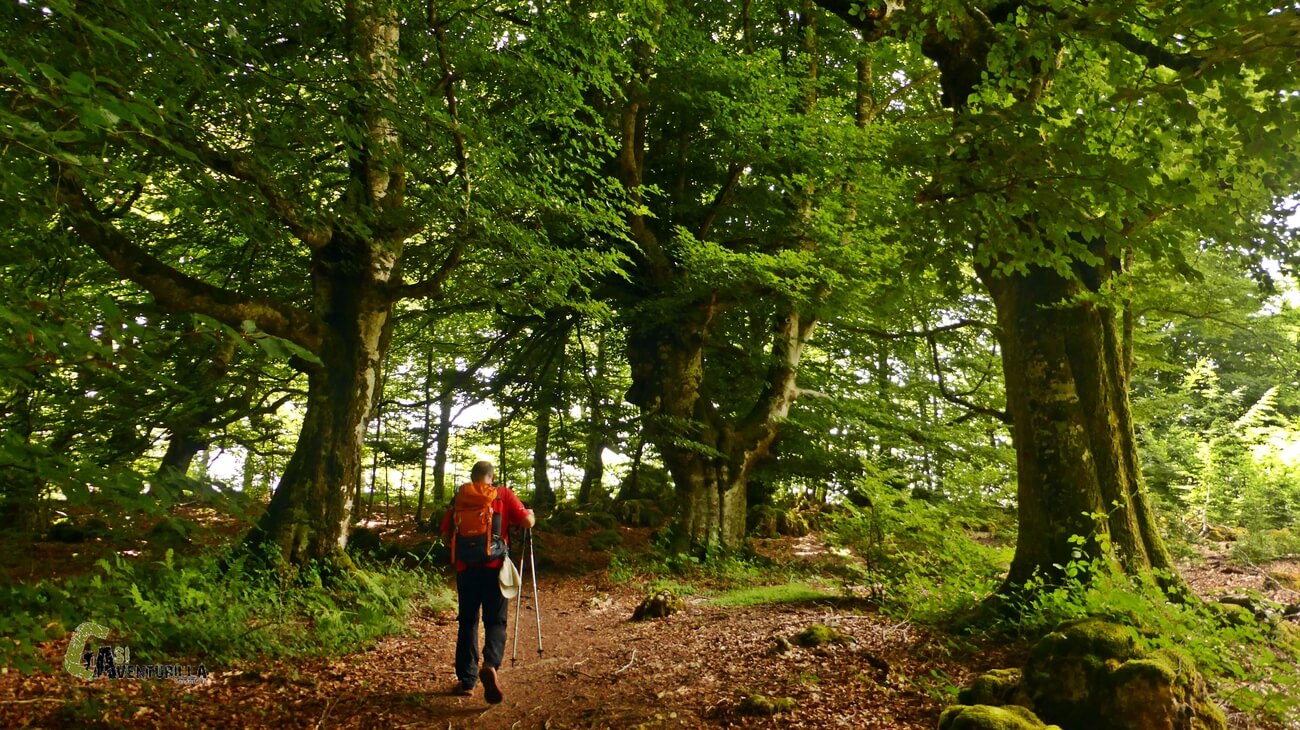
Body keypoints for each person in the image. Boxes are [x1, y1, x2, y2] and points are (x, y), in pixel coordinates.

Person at [440, 460, 535, 704]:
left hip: (465, 569)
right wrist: (531, 515)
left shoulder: (460, 496)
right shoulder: (502, 495)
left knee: (468, 622)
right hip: (494, 568)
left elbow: (445, 531)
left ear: (473, 477)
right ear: (492, 477)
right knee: (495, 621)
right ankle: (491, 665)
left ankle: (467, 681)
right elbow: (526, 522)